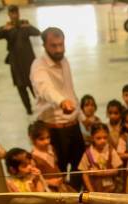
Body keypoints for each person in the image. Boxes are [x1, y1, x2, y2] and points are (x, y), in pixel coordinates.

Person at [30, 27, 85, 190]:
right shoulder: (38, 66)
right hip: (54, 129)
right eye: (54, 46)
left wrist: (80, 115)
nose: (59, 49)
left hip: (73, 125)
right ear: (44, 45)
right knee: (57, 171)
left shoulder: (64, 60)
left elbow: (69, 90)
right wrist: (62, 102)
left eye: (61, 44)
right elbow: (45, 89)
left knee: (79, 167)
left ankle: (75, 196)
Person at [0, 5, 40, 115]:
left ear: (19, 13)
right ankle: (28, 109)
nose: (14, 15)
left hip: (29, 62)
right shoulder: (7, 28)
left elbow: (37, 32)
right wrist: (4, 29)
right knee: (21, 86)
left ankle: (40, 105)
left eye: (16, 13)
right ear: (8, 15)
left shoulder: (24, 25)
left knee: (34, 85)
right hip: (16, 63)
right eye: (12, 13)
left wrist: (28, 26)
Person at [29, 121, 72, 192]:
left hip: (60, 185)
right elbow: (33, 179)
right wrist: (48, 181)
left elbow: (55, 165)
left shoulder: (50, 148)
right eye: (41, 139)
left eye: (48, 137)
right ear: (33, 139)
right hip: (48, 189)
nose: (47, 141)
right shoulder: (33, 157)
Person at [78, 123, 122, 192]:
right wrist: (91, 191)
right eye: (98, 138)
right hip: (94, 188)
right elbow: (84, 174)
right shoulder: (88, 153)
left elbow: (116, 170)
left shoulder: (111, 151)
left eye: (105, 137)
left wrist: (100, 173)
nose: (102, 141)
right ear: (92, 138)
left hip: (111, 189)